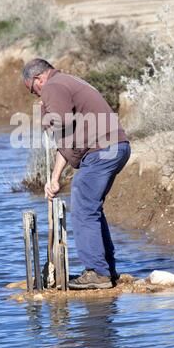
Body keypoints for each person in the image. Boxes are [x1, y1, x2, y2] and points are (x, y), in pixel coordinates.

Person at [23, 58, 131, 290]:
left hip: (103, 150)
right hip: (115, 147)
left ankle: (97, 273)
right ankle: (106, 269)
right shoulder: (65, 81)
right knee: (90, 206)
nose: (36, 96)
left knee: (82, 206)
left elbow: (61, 123)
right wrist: (54, 178)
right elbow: (69, 139)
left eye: (32, 90)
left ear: (37, 79)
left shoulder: (53, 86)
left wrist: (45, 117)